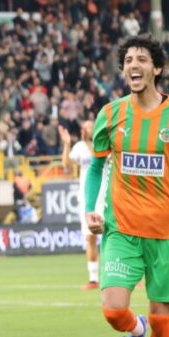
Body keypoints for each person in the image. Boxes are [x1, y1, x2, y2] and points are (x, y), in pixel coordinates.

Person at [84, 36, 169, 337]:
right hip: (121, 229)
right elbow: (96, 166)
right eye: (129, 59)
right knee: (114, 311)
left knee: (164, 316)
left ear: (156, 68)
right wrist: (90, 209)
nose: (134, 64)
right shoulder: (111, 114)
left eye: (142, 59)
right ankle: (135, 329)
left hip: (165, 232)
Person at [60, 120, 100, 289]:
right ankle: (93, 278)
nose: (87, 128)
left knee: (116, 236)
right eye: (85, 127)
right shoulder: (79, 147)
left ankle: (132, 277)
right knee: (90, 237)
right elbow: (66, 165)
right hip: (87, 197)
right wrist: (67, 144)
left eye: (90, 126)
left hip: (106, 195)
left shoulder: (103, 143)